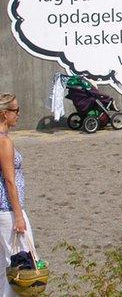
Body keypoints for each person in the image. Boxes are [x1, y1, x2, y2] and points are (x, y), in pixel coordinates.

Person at [0, 94, 38, 297]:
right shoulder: (4, 142)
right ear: (4, 114)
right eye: (15, 110)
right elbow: (9, 180)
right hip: (8, 210)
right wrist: (19, 215)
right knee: (21, 264)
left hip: (3, 210)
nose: (18, 114)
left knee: (6, 264)